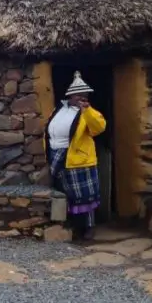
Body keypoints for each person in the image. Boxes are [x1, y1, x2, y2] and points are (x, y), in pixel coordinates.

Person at [44, 71, 106, 240]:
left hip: (79, 159)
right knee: (63, 192)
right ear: (70, 95)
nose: (81, 97)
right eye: (77, 95)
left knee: (84, 196)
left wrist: (87, 110)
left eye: (84, 95)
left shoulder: (88, 113)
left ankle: (89, 228)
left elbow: (99, 128)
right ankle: (70, 225)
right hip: (56, 153)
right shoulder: (58, 110)